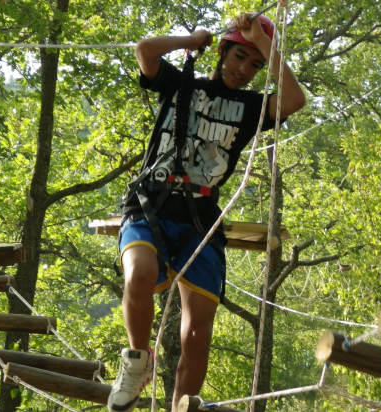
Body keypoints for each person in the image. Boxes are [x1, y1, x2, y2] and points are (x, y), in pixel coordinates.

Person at [108, 12, 306, 412]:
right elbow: (145, 51)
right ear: (222, 53)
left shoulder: (251, 108)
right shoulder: (181, 86)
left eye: (253, 65)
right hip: (152, 203)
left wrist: (264, 44)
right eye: (238, 58)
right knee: (140, 273)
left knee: (197, 330)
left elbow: (295, 100)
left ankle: (183, 405)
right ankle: (136, 361)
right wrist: (190, 40)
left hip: (200, 218)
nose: (244, 70)